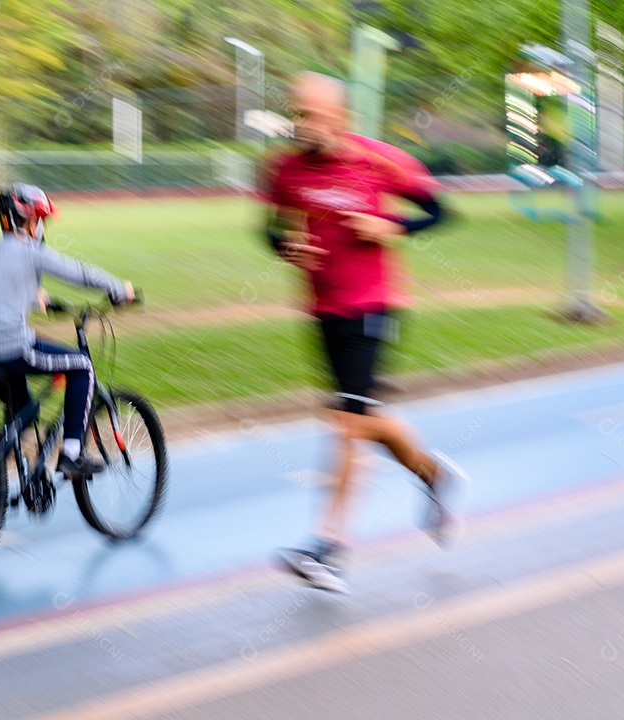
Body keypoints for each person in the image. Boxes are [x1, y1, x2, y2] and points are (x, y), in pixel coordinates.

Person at [265, 72, 468, 594]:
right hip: (322, 308)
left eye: (313, 115)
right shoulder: (285, 168)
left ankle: (329, 548)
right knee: (358, 418)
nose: (303, 124)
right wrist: (286, 247)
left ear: (341, 117)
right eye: (298, 113)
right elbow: (272, 227)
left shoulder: (379, 160)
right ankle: (434, 475)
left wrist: (391, 226)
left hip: (373, 306)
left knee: (348, 426)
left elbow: (441, 211)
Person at [0, 183, 134, 478]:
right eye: (40, 220)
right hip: (10, 348)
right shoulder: (32, 252)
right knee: (82, 366)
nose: (41, 228)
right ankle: (72, 455)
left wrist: (37, 296)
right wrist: (119, 289)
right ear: (29, 221)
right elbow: (80, 273)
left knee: (23, 410)